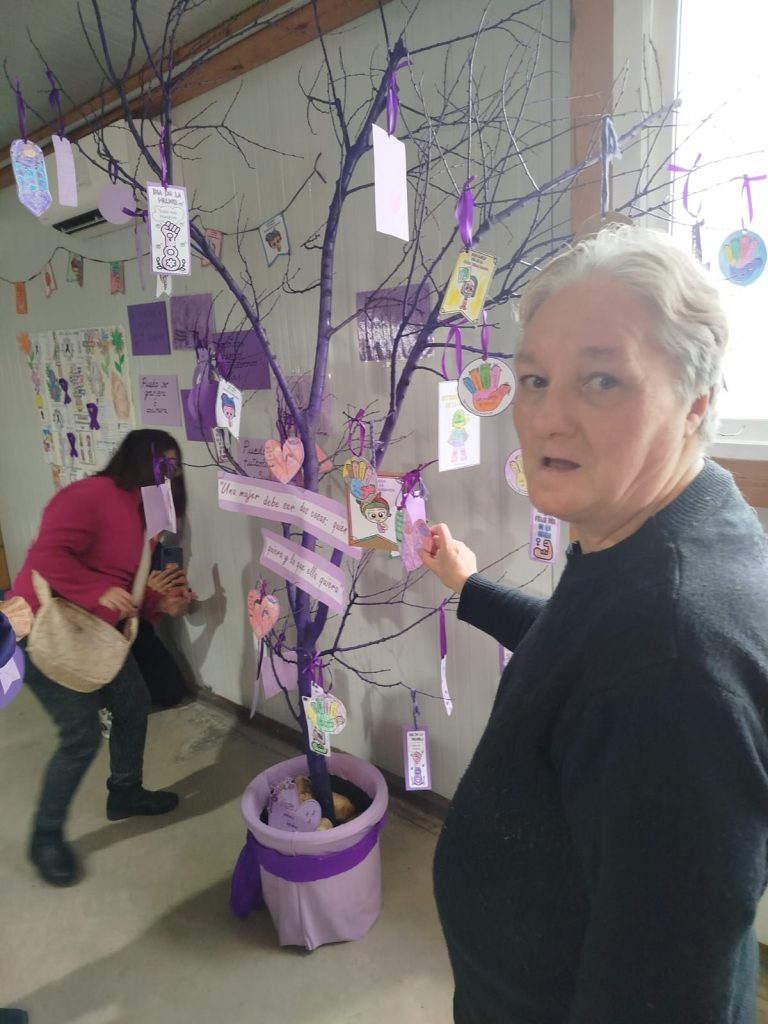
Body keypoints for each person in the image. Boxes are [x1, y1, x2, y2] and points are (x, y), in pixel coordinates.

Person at [420, 225, 768, 1024]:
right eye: (535, 380)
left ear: (695, 405)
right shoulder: (673, 534)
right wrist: (470, 589)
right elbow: (583, 648)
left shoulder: (673, 665)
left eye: (602, 381)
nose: (548, 417)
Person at [9, 429, 194, 887]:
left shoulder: (148, 518)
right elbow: (46, 556)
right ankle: (45, 836)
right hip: (43, 627)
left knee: (133, 703)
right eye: (160, 463)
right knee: (81, 736)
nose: (167, 474)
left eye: (174, 466)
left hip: (97, 633)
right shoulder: (92, 495)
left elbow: (127, 590)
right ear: (136, 459)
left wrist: (160, 604)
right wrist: (97, 590)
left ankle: (125, 792)